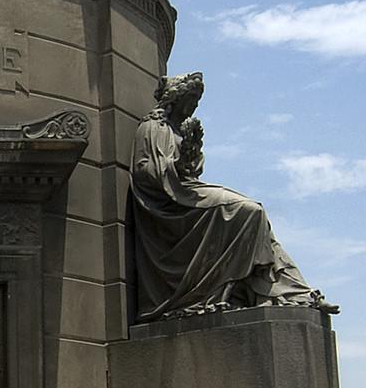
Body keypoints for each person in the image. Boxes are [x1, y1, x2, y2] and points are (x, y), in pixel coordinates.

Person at [129, 72, 332, 319]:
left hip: (187, 191)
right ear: (175, 98)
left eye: (196, 101)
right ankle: (226, 291)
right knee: (246, 211)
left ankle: (289, 292)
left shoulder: (178, 128)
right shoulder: (153, 127)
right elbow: (144, 173)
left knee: (256, 216)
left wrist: (191, 155)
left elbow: (190, 171)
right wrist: (176, 164)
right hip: (171, 203)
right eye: (190, 99)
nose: (193, 106)